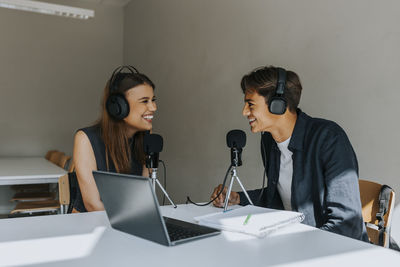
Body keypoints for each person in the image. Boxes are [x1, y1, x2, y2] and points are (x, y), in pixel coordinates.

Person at [211, 66, 368, 241]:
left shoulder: (329, 139)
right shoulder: (269, 142)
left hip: (335, 253)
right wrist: (237, 198)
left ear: (277, 105)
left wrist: (296, 245)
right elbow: (278, 197)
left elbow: (347, 224)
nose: (244, 112)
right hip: (293, 245)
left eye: (250, 104)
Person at [72, 65, 157, 212]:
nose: (153, 107)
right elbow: (93, 205)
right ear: (118, 107)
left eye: (153, 100)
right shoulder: (85, 139)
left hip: (127, 222)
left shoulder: (145, 138)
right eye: (144, 101)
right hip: (90, 226)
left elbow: (144, 196)